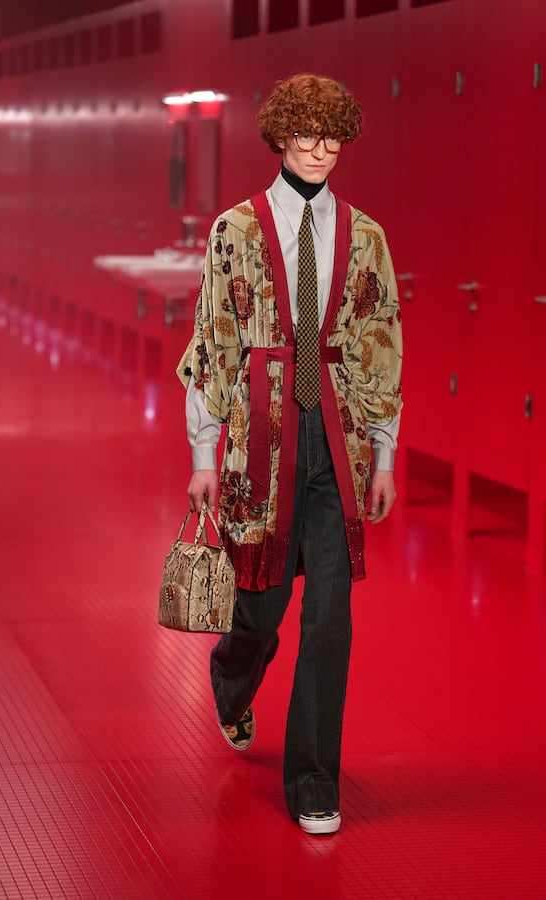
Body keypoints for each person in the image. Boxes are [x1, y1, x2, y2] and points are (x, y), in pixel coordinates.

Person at [177, 73, 403, 835]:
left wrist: (384, 457)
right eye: (306, 135)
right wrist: (205, 453)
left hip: (334, 435)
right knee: (262, 607)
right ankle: (232, 678)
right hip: (258, 437)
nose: (320, 150)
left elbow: (381, 347)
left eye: (333, 136)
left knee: (330, 615)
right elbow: (212, 343)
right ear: (280, 137)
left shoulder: (365, 234)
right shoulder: (234, 230)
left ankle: (313, 781)